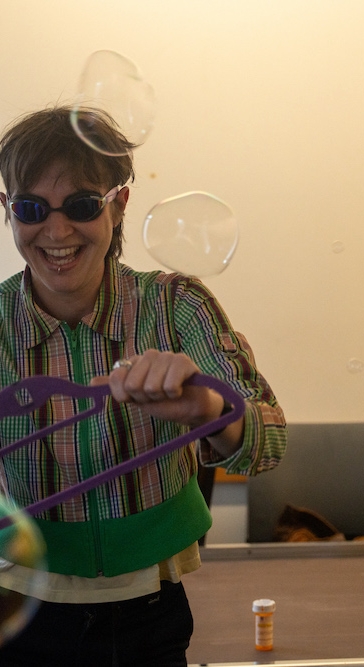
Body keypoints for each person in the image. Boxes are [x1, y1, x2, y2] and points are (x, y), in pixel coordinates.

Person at [0, 105, 287, 666]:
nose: (56, 232)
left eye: (81, 205)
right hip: (19, 606)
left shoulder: (176, 304)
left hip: (150, 612)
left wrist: (208, 409)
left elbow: (270, 442)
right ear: (8, 210)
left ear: (119, 203)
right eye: (31, 208)